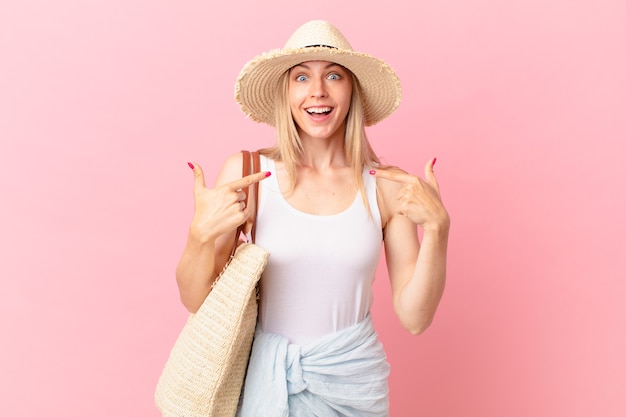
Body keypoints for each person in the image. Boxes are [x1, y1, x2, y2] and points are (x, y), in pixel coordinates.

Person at [176, 20, 450, 416]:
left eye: (333, 75)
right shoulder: (249, 174)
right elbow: (194, 299)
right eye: (301, 76)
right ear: (286, 92)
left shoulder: (387, 186)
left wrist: (438, 230)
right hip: (266, 386)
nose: (317, 91)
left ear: (351, 90)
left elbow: (415, 318)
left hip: (353, 386)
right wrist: (199, 235)